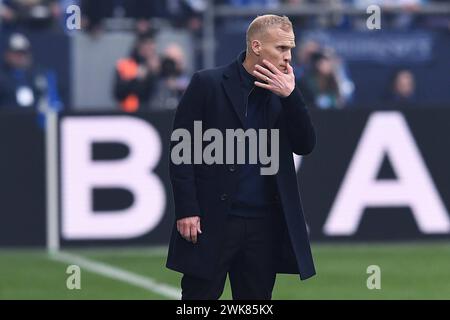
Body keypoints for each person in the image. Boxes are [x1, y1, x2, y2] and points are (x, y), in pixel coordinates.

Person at [166, 14, 316, 300]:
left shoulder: (286, 91)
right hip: (212, 221)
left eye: (291, 49)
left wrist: (291, 97)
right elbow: (181, 153)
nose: (288, 57)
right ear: (256, 46)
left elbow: (305, 144)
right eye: (281, 48)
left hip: (264, 224)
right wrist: (187, 209)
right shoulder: (207, 84)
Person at [113, 30, 160, 112]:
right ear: (139, 45)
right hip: (130, 112)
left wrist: (155, 73)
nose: (150, 47)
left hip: (156, 112)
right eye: (146, 44)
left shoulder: (158, 65)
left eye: (152, 44)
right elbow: (118, 92)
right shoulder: (125, 65)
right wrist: (137, 78)